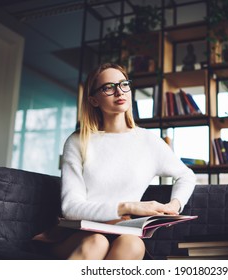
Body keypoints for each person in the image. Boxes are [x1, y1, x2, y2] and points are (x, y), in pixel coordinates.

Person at [51, 63, 196, 260]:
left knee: (134, 244)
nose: (119, 92)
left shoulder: (149, 141)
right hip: (79, 236)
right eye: (108, 87)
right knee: (97, 242)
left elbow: (186, 175)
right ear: (94, 100)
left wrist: (175, 205)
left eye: (123, 84)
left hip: (123, 231)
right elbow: (71, 208)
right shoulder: (78, 141)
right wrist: (129, 207)